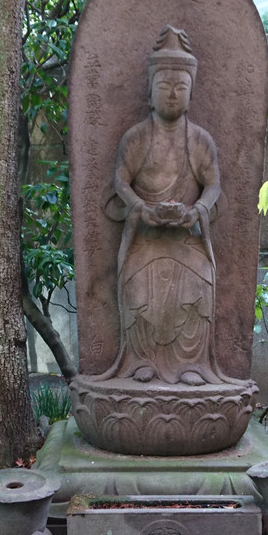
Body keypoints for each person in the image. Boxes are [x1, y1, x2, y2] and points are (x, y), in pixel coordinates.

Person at [101, 26, 226, 386]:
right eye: (165, 86)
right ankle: (142, 361)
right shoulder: (136, 137)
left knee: (198, 283)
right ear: (150, 92)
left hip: (187, 237)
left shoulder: (200, 140)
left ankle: (192, 363)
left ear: (191, 93)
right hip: (145, 236)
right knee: (138, 285)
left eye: (181, 87)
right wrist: (142, 207)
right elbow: (121, 181)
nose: (172, 93)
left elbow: (213, 185)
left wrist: (196, 210)